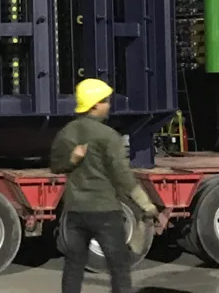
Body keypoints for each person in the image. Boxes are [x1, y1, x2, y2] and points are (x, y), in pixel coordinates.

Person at [50, 78, 166, 293]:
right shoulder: (108, 136)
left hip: (75, 211)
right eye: (105, 101)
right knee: (119, 267)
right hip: (105, 211)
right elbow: (122, 175)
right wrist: (145, 204)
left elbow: (55, 166)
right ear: (94, 104)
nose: (109, 105)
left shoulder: (67, 132)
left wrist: (73, 159)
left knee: (74, 266)